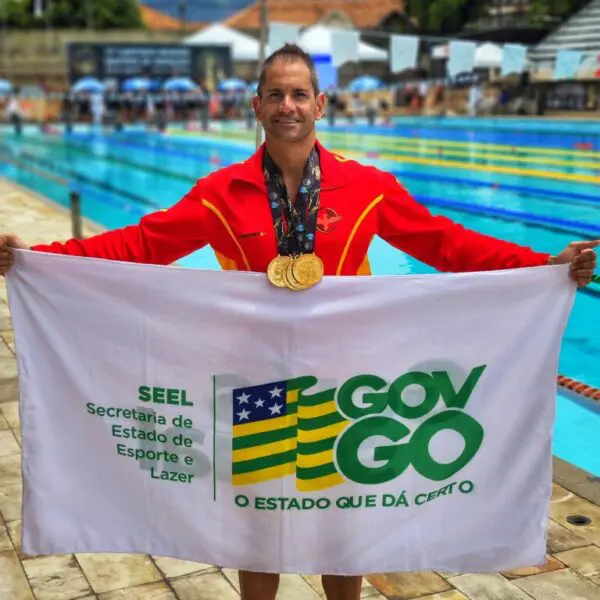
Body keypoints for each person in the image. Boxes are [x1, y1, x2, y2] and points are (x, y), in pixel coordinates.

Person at [0, 43, 597, 600]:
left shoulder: (366, 187)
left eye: (299, 95)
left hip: (345, 383)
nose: (288, 106)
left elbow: (445, 244)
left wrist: (540, 263)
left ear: (320, 103)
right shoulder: (221, 193)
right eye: (276, 95)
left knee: (343, 522)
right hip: (254, 382)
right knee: (257, 521)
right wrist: (36, 259)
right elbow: (140, 244)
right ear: (256, 105)